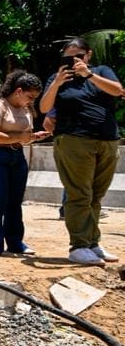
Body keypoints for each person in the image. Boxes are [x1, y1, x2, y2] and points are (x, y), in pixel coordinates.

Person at [38, 37, 124, 265]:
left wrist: (89, 75)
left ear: (88, 55)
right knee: (79, 194)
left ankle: (93, 243)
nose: (73, 60)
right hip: (74, 140)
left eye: (77, 55)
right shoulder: (57, 78)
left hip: (107, 139)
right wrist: (56, 83)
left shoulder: (102, 71)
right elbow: (44, 108)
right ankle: (78, 246)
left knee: (97, 195)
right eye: (68, 56)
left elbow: (117, 91)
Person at [0, 70, 49, 257]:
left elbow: (23, 137)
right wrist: (20, 137)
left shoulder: (26, 111)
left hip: (16, 157)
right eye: (29, 96)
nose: (31, 101)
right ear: (18, 91)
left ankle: (15, 242)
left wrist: (33, 137)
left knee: (15, 202)